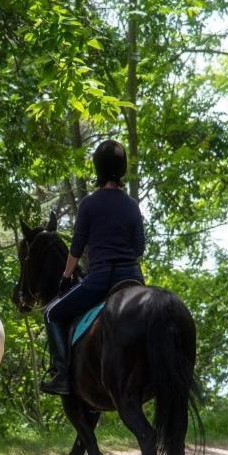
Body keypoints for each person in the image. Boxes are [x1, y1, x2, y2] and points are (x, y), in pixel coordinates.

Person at [41, 139, 146, 395]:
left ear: (98, 169)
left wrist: (66, 276)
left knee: (51, 314)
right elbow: (139, 248)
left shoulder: (89, 204)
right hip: (133, 278)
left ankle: (63, 375)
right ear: (121, 171)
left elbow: (76, 248)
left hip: (100, 280)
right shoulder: (132, 205)